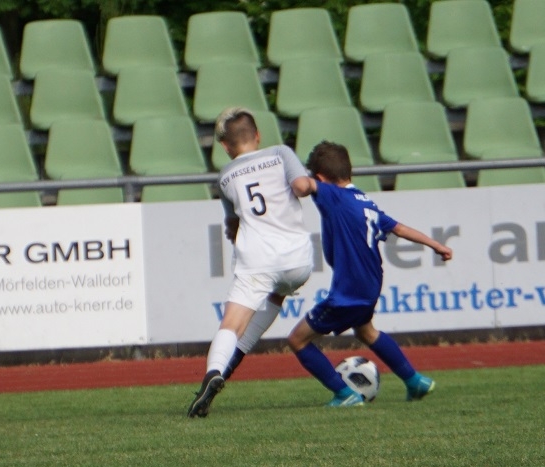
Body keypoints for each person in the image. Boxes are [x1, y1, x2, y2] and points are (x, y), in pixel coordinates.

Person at [287, 141, 452, 405]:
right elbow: (399, 228)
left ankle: (344, 394)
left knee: (298, 340)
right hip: (370, 285)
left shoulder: (332, 195)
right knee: (366, 332)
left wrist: (293, 176)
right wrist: (436, 245)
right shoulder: (364, 201)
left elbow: (304, 186)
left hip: (349, 292)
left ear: (320, 177)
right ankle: (415, 381)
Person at [187, 107, 317, 418]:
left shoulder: (225, 176)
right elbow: (301, 187)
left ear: (225, 146)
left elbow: (232, 225)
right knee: (277, 294)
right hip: (298, 260)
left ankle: (215, 372)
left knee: (232, 324)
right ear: (258, 135)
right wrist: (316, 185)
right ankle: (226, 369)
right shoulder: (280, 153)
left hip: (259, 260)